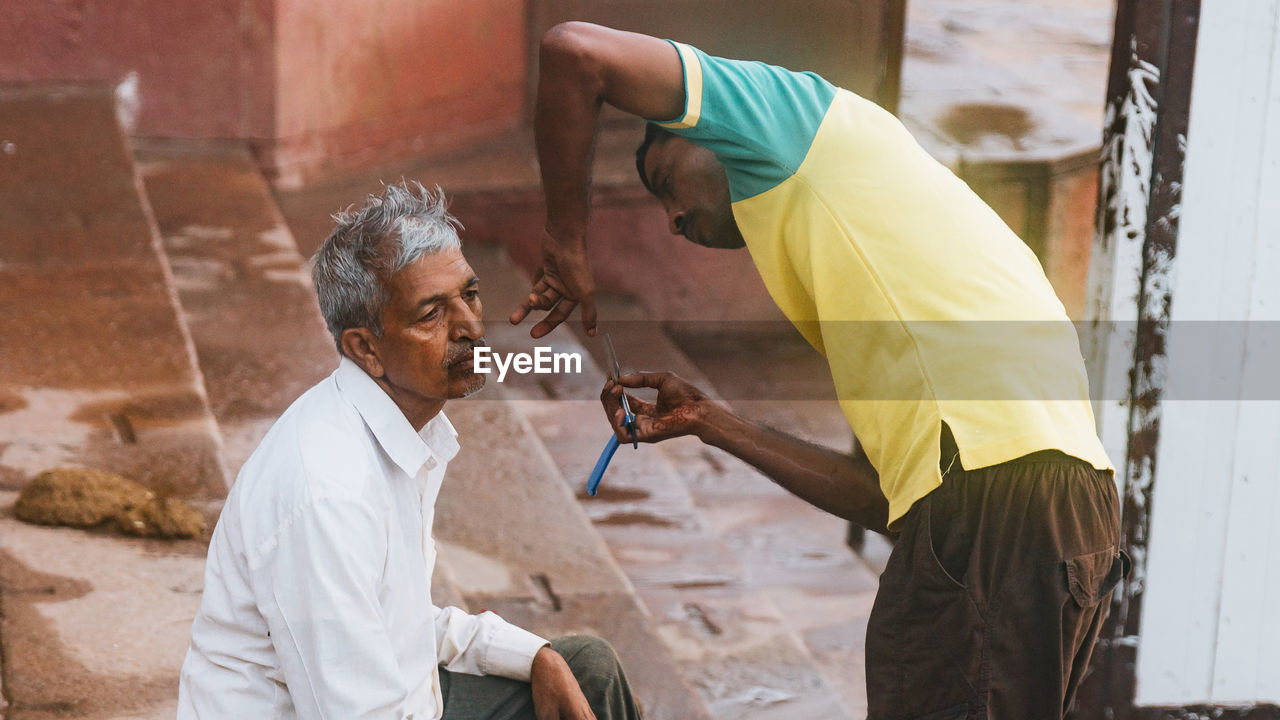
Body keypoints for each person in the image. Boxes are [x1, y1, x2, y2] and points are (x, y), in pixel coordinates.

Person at [510, 22, 1129, 720]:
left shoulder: (789, 119)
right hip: (1071, 519)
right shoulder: (872, 245)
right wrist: (711, 422)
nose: (674, 218)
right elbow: (884, 502)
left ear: (711, 128)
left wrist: (565, 239)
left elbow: (573, 53)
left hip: (999, 508)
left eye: (665, 182)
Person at [177, 182, 641, 720]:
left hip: (399, 696)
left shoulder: (402, 428)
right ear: (366, 349)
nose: (470, 327)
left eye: (469, 295)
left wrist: (537, 658)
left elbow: (403, 620)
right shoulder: (328, 495)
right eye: (431, 316)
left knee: (585, 668)